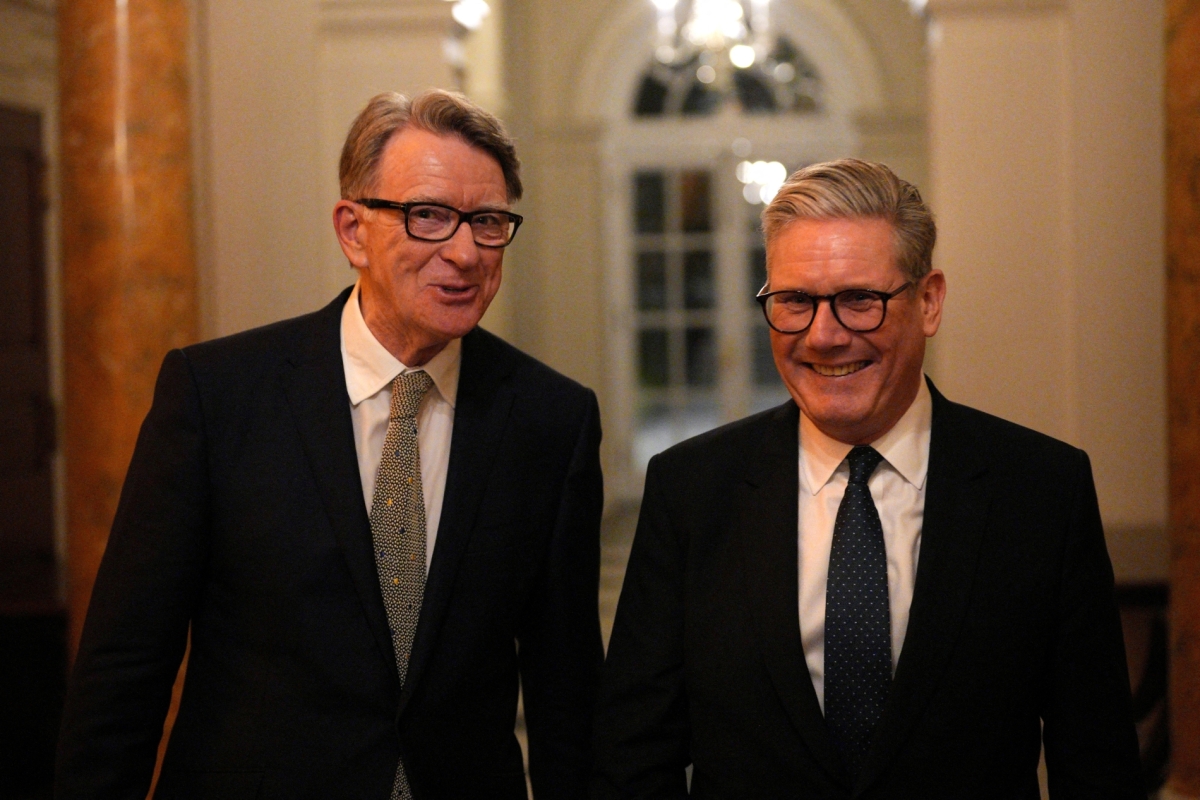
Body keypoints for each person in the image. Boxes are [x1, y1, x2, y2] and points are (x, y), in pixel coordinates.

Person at [55, 90, 604, 800]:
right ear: (353, 230)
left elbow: (568, 692)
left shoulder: (550, 420)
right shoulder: (216, 396)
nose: (465, 252)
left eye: (488, 222)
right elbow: (126, 664)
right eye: (428, 215)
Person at [592, 159, 1143, 798]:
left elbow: (1097, 762)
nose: (824, 336)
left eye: (861, 300)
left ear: (929, 301)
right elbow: (633, 755)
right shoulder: (690, 490)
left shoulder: (1042, 491)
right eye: (795, 301)